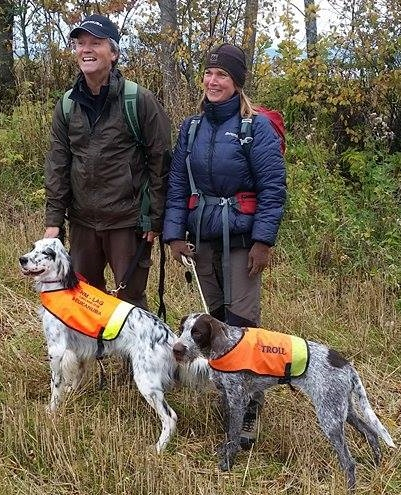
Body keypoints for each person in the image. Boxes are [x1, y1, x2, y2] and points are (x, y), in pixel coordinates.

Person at [163, 43, 286, 448]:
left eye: (224, 76)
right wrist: (174, 233)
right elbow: (178, 183)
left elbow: (272, 188)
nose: (213, 81)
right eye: (210, 74)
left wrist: (263, 241)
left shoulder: (256, 128)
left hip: (243, 240)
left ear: (237, 84)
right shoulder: (192, 128)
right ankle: (227, 398)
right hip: (203, 239)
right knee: (213, 322)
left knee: (242, 324)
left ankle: (249, 412)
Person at [44, 14, 171, 309]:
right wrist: (54, 221)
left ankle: (134, 356)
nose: (86, 49)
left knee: (131, 300)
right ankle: (97, 353)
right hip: (82, 221)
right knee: (85, 298)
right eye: (80, 43)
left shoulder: (139, 100)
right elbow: (58, 163)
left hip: (127, 222)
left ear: (113, 53)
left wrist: (154, 217)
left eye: (96, 43)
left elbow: (161, 161)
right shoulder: (66, 105)